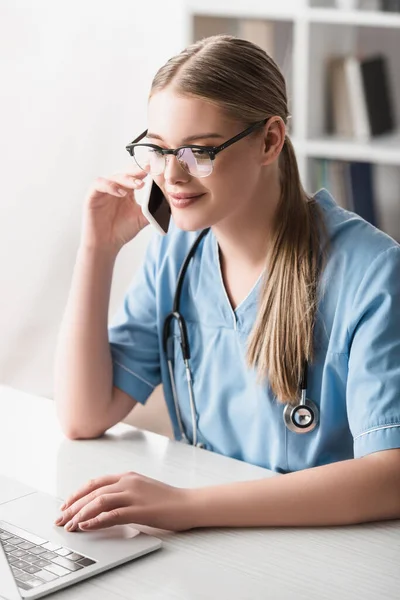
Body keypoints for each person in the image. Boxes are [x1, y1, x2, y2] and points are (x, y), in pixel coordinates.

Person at [53, 35, 400, 533]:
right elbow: (83, 415)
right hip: (215, 546)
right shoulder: (178, 252)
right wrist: (97, 251)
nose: (172, 175)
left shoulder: (372, 273)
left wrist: (186, 508)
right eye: (158, 150)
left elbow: (389, 476)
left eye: (199, 152)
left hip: (325, 552)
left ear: (269, 140)